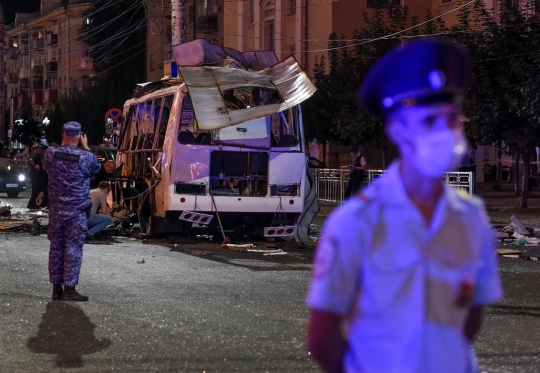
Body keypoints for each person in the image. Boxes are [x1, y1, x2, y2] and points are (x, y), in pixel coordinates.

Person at [306, 38, 502, 373]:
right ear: (397, 131)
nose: (445, 132)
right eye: (429, 121)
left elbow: (470, 320)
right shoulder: (356, 221)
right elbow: (322, 337)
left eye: (452, 119)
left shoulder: (471, 218)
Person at [43, 122, 101, 302]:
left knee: (56, 248)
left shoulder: (51, 154)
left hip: (57, 211)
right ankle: (69, 288)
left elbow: (46, 168)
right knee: (73, 248)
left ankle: (56, 288)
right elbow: (97, 168)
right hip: (76, 211)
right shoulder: (86, 157)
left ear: (63, 134)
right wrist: (85, 147)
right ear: (79, 135)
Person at [27, 145, 47, 209]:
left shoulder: (38, 156)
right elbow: (31, 160)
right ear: (35, 149)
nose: (40, 151)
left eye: (41, 150)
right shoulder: (34, 155)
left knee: (36, 190)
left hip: (37, 176)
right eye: (39, 149)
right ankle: (31, 204)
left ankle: (32, 204)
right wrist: (35, 166)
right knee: (35, 190)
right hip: (34, 175)